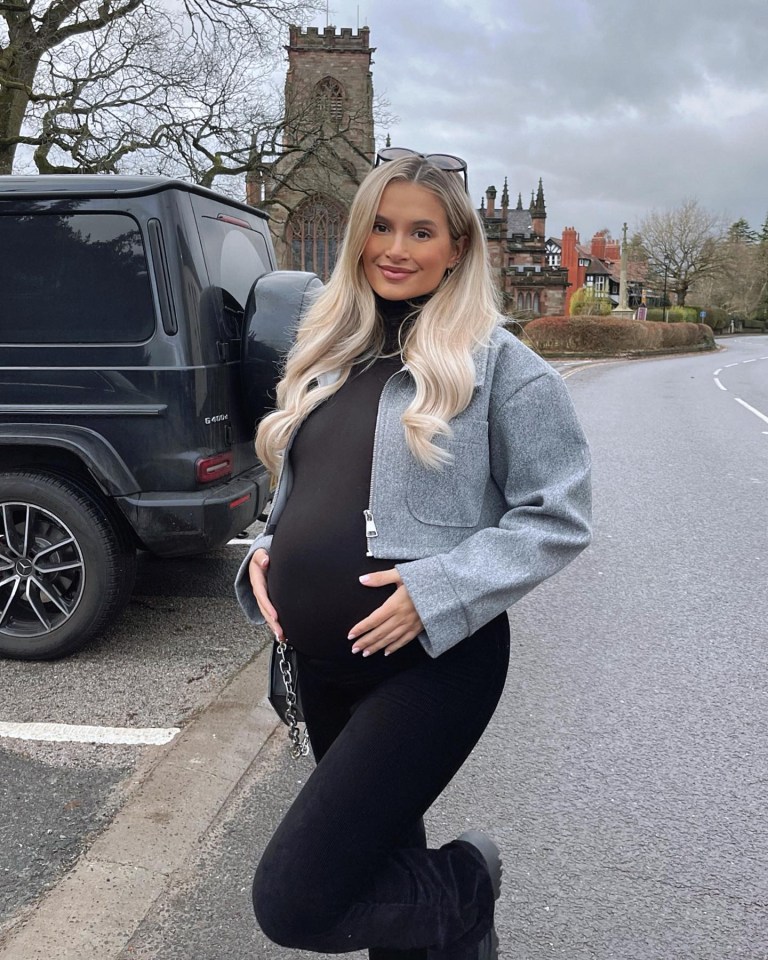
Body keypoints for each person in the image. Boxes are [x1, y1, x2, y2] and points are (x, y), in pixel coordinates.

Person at [235, 147, 592, 960]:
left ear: (457, 247)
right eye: (383, 227)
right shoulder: (328, 357)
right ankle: (457, 941)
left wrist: (437, 592)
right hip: (323, 666)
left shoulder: (503, 368)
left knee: (296, 902)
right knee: (380, 874)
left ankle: (467, 883)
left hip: (432, 664)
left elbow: (559, 515)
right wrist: (262, 556)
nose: (396, 247)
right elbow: (297, 498)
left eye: (421, 231)